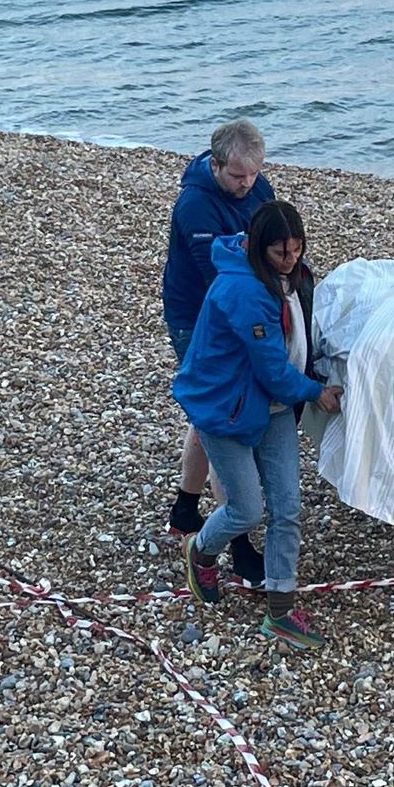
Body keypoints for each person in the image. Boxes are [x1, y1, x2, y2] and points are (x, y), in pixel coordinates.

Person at [173, 201, 342, 649]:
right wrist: (315, 392)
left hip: (275, 409)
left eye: (297, 249)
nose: (291, 260)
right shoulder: (242, 291)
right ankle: (201, 550)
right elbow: (271, 369)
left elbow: (306, 334)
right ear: (256, 248)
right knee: (246, 510)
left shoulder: (294, 275)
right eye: (280, 252)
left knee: (288, 508)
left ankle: (281, 611)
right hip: (226, 410)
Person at [160, 118, 277, 586]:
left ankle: (185, 506)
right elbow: (221, 285)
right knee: (222, 414)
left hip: (245, 301)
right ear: (216, 164)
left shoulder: (258, 186)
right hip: (198, 315)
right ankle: (239, 538)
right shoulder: (195, 205)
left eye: (252, 175)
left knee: (206, 416)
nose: (246, 184)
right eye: (237, 177)